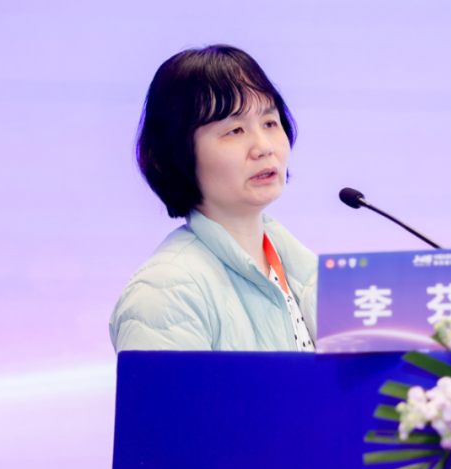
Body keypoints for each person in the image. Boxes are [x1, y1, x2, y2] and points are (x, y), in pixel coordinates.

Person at [110, 45, 316, 352]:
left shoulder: (305, 272)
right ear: (179, 152)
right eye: (235, 130)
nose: (264, 147)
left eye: (270, 123)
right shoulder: (166, 293)